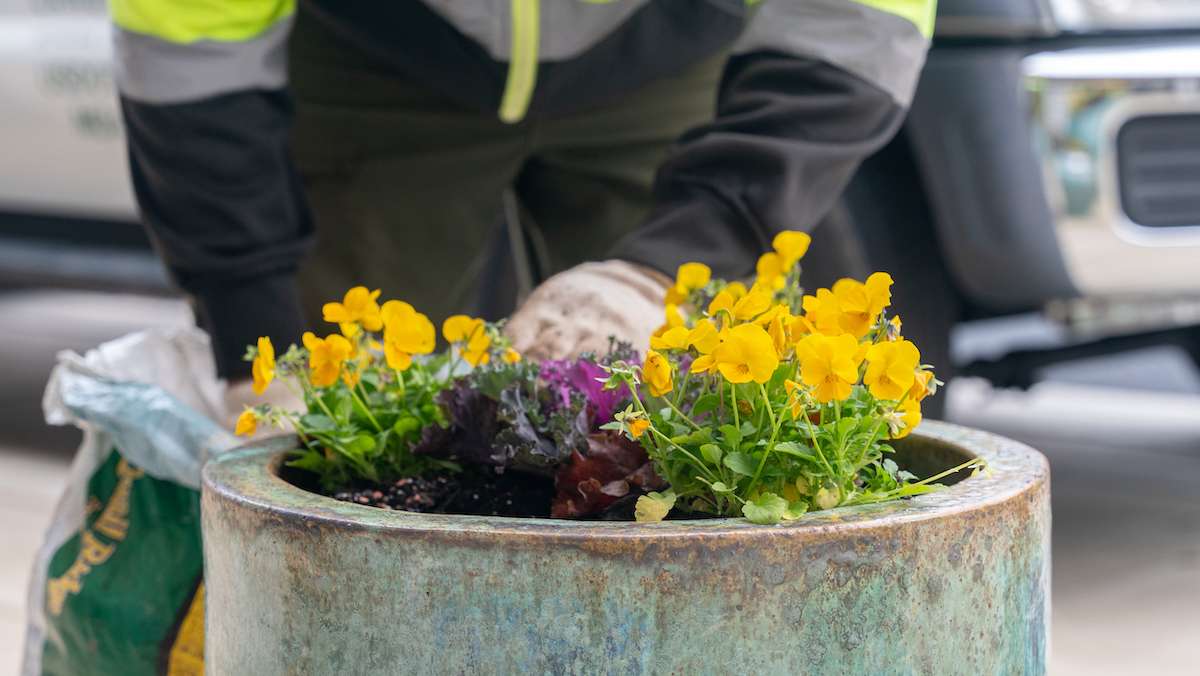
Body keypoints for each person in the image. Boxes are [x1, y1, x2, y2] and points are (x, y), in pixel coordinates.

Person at [110, 0, 936, 416]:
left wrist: (680, 253)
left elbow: (857, 20)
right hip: (374, 53)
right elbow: (188, 44)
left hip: (667, 46)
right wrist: (253, 315)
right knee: (330, 419)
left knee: (678, 419)